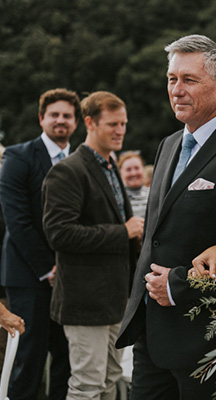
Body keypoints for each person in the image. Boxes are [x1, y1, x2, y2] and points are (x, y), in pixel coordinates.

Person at [116, 34, 216, 400]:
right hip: (151, 335)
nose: (177, 90)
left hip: (207, 342)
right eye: (172, 79)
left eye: (189, 79)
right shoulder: (168, 144)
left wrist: (178, 285)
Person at [42, 91, 143, 400]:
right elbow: (60, 234)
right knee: (87, 386)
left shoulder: (110, 167)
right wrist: (122, 232)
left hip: (117, 299)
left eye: (123, 123)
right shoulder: (68, 171)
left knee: (111, 379)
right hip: (85, 301)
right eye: (113, 124)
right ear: (90, 123)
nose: (120, 130)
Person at [0, 88, 78, 400]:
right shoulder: (18, 156)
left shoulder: (81, 160)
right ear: (41, 118)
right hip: (28, 276)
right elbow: (17, 222)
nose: (61, 120)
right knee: (28, 360)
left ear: (76, 122)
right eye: (54, 114)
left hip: (71, 278)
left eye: (67, 116)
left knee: (66, 360)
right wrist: (48, 268)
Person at [118, 151, 149, 218]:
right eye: (128, 170)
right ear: (121, 173)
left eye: (137, 168)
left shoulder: (153, 194)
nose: (133, 173)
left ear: (143, 169)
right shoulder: (117, 198)